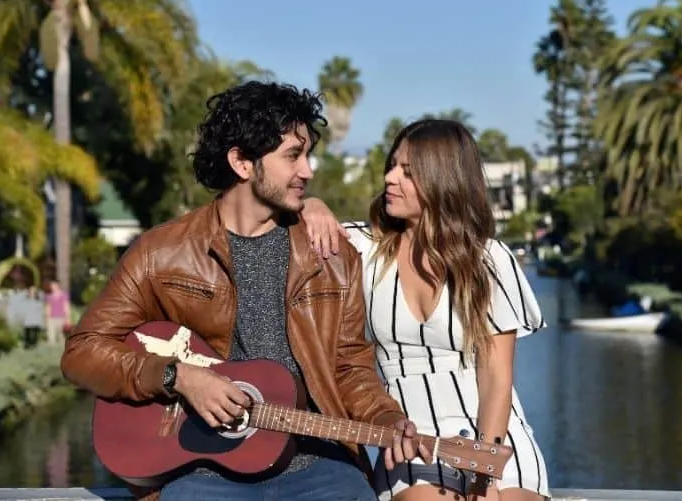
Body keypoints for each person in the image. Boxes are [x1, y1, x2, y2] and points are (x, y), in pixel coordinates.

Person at [60, 81, 429, 501]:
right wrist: (177, 376)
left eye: (307, 154)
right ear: (241, 163)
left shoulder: (332, 257)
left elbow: (349, 367)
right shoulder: (161, 253)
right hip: (199, 469)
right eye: (293, 155)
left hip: (319, 465)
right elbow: (82, 352)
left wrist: (386, 416)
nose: (308, 170)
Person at [302, 118, 550, 501]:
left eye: (408, 173)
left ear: (443, 181)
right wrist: (312, 204)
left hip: (494, 438)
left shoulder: (489, 261)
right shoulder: (364, 250)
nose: (389, 178)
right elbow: (296, 221)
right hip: (408, 440)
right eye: (392, 165)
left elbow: (496, 377)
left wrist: (484, 478)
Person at [44, 280, 69, 344]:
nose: (53, 287)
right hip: (51, 318)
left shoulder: (63, 295)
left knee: (62, 336)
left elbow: (66, 306)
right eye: (52, 286)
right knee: (51, 336)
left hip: (61, 318)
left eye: (54, 285)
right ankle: (51, 350)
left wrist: (67, 318)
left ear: (58, 286)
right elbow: (48, 308)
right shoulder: (49, 296)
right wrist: (47, 318)